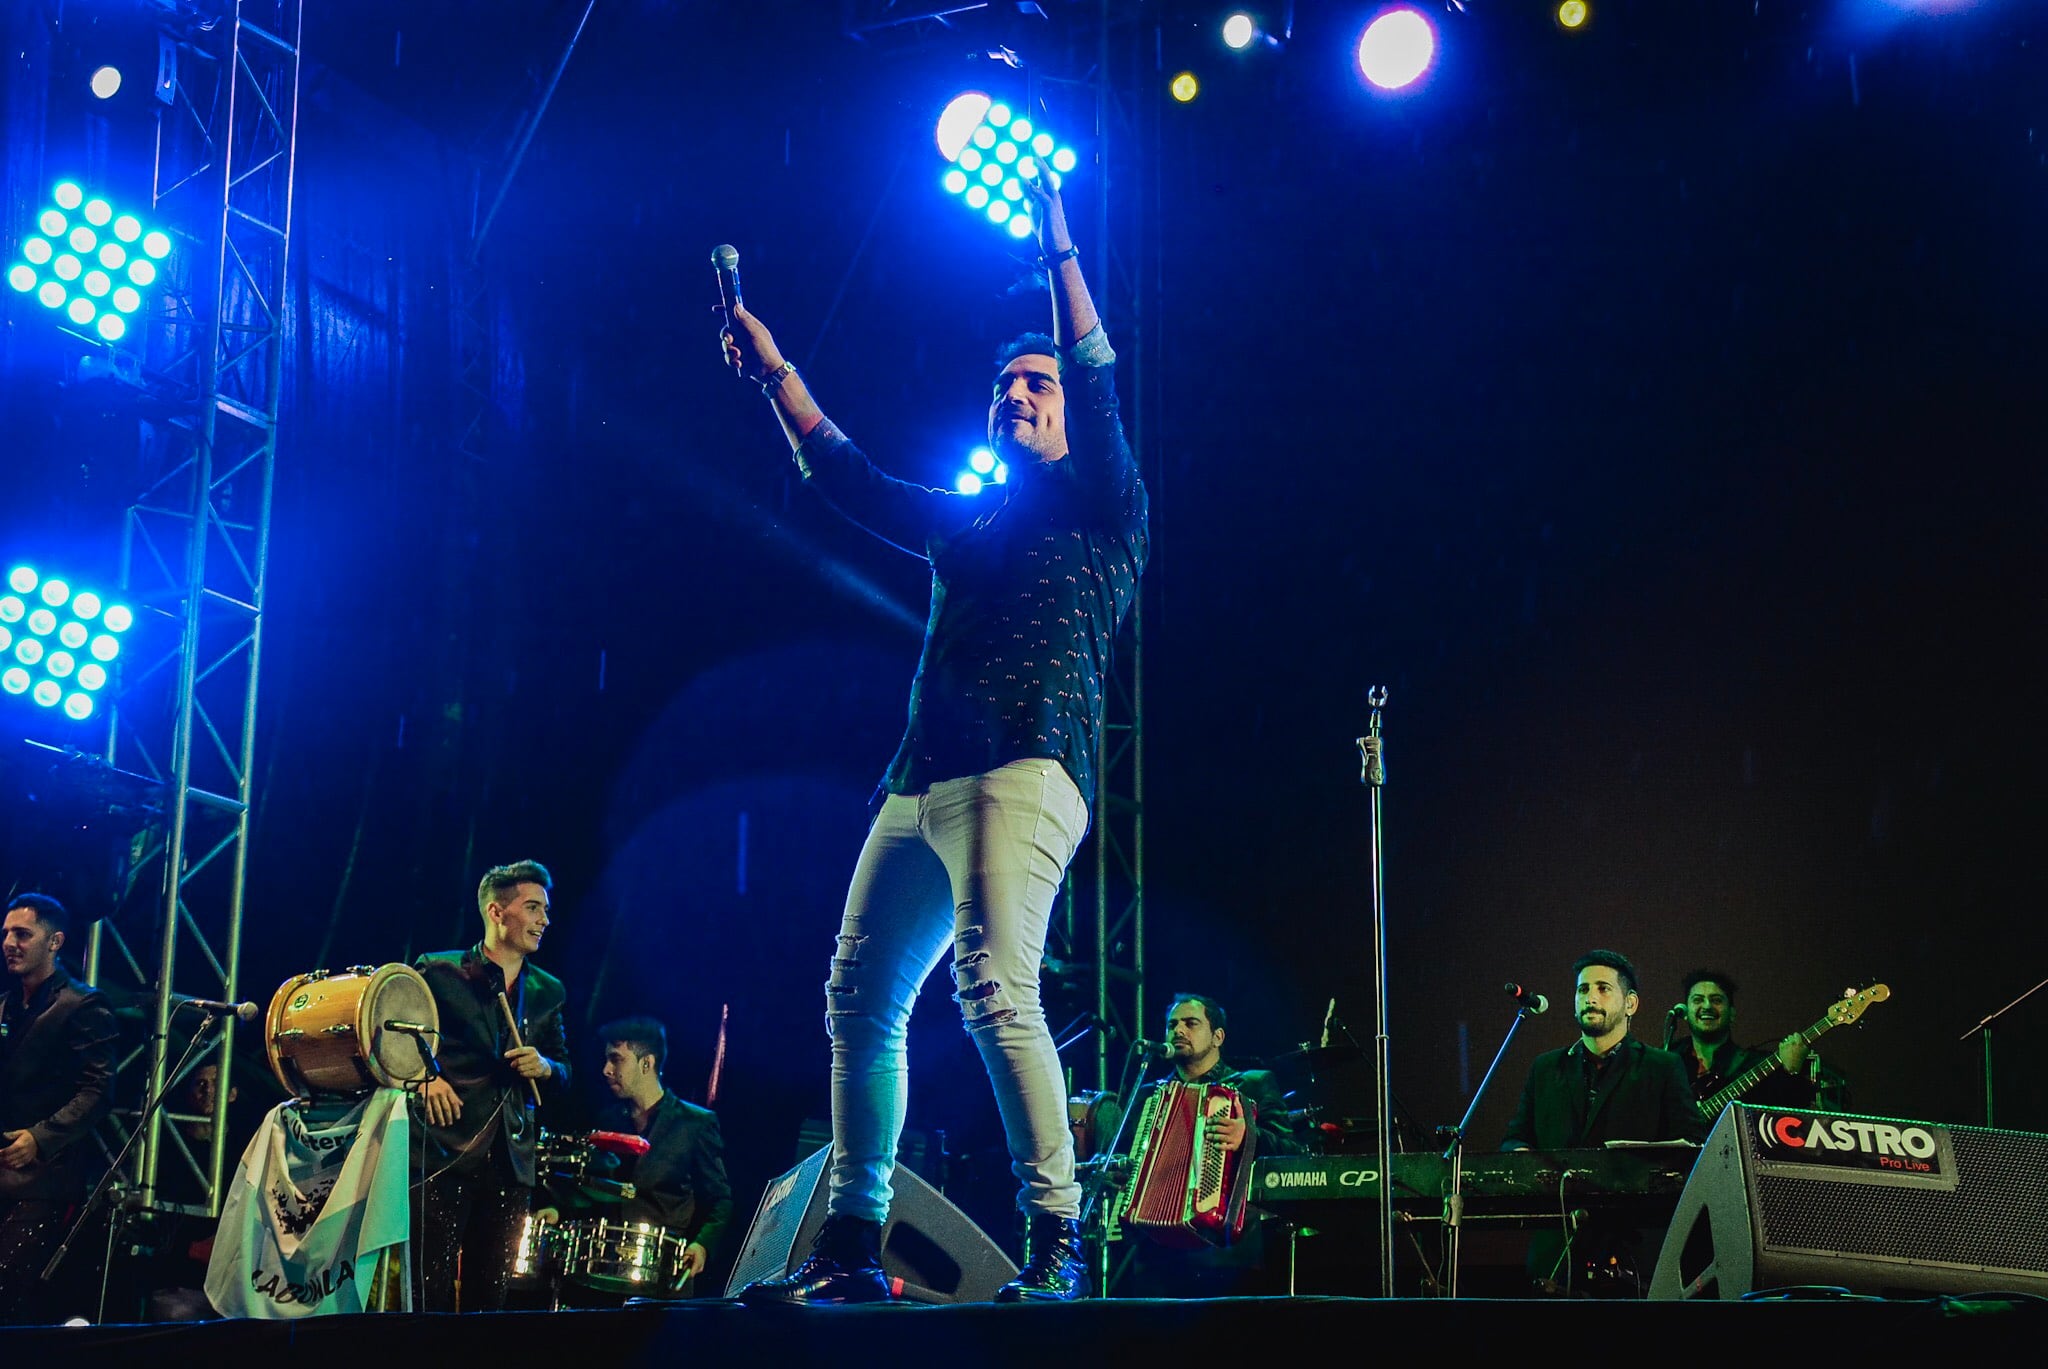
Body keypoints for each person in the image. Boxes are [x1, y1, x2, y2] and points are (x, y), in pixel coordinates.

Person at [721, 158, 1147, 1305]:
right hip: (918, 781)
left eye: (1036, 387)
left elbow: (1099, 379)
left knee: (993, 992)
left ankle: (1058, 1235)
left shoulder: (1105, 506)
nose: (1017, 395)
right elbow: (854, 483)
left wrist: (1058, 247)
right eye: (1005, 386)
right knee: (857, 1000)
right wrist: (777, 376)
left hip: (1026, 767)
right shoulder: (971, 523)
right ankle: (855, 1241)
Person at [1500, 949, 1708, 1297]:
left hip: (1633, 1252)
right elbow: (1514, 1138)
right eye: (1583, 990)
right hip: (1556, 1254)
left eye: (1602, 988)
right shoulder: (1546, 1069)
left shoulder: (1662, 1067)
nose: (1590, 998)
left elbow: (1692, 1147)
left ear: (1631, 1004)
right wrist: (1522, 1156)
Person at [412, 860, 571, 1312]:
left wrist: (544, 1066)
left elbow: (565, 1073)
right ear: (497, 912)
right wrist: (427, 1079)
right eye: (533, 908)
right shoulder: (438, 971)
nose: (544, 920)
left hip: (511, 1161)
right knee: (430, 1294)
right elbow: (395, 1038)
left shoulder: (546, 991)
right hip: (445, 1151)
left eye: (545, 910)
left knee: (490, 1300)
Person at [1113, 994, 1304, 1297]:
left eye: (1191, 1023)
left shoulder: (1253, 1084)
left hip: (1228, 1250)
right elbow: (1124, 1160)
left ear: (1217, 1037)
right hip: (1156, 1250)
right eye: (1172, 1024)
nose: (1178, 1031)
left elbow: (1293, 1154)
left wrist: (1248, 1137)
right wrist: (1122, 1172)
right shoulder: (1149, 1095)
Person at [551, 1016, 732, 1301]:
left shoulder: (695, 1124)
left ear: (646, 1063)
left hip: (663, 1279)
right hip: (604, 1274)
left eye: (616, 1060)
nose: (606, 1070)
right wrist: (559, 1210)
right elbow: (593, 1190)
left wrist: (702, 1246)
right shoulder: (608, 1120)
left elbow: (720, 1200)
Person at [0, 893, 118, 1325]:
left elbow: (98, 1091)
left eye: (23, 934)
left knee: (10, 1298)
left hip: (44, 1182)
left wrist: (40, 1137)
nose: (10, 942)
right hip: (3, 1172)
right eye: (6, 933)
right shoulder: (7, 1005)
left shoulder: (82, 1005)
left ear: (55, 942)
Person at [1670, 969, 1830, 1115]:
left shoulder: (1752, 1066)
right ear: (1685, 1012)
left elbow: (1792, 1114)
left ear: (1732, 1013)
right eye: (1698, 1000)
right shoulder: (1668, 1060)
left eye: (1716, 1000)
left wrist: (1792, 1071)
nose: (1707, 1006)